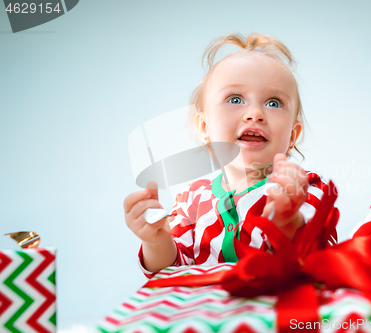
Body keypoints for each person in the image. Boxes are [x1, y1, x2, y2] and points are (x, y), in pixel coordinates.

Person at [123, 33, 334, 277]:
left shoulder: (305, 189)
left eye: (273, 103)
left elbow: (322, 262)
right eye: (235, 99)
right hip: (209, 314)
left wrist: (290, 224)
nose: (255, 113)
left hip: (278, 311)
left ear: (293, 134)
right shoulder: (191, 200)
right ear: (205, 127)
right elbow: (171, 272)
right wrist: (157, 242)